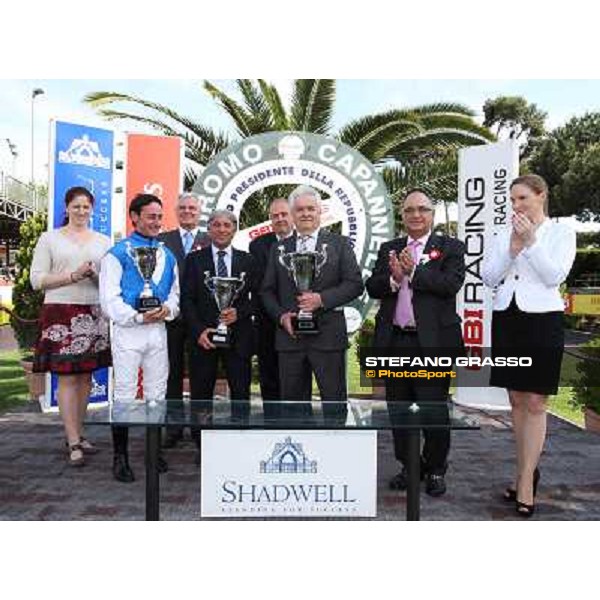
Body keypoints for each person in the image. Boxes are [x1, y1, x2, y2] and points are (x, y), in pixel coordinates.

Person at [482, 174, 576, 517]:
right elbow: (490, 277)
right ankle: (524, 472)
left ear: (541, 195)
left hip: (543, 321)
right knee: (516, 399)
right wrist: (512, 248)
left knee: (536, 401)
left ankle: (524, 482)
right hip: (508, 319)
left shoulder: (561, 232)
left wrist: (531, 241)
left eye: (522, 198)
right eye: (512, 200)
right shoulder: (501, 235)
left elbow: (554, 276)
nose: (516, 205)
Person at [365, 189, 465, 497]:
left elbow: (451, 285)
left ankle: (435, 468)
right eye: (409, 210)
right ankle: (410, 467)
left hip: (433, 344)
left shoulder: (450, 247)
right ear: (402, 215)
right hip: (396, 341)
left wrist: (414, 272)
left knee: (433, 410)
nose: (416, 215)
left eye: (422, 209)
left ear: (433, 214)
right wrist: (394, 279)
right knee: (400, 411)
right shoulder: (390, 248)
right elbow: (373, 286)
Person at [261, 185, 364, 423]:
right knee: (293, 408)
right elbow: (266, 291)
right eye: (299, 210)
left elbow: (354, 284)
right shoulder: (279, 249)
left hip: (328, 338)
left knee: (334, 404)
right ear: (293, 214)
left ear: (320, 212)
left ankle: (336, 452)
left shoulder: (339, 244)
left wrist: (322, 299)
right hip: (290, 338)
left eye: (310, 209)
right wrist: (281, 316)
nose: (305, 213)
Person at [99, 194, 179, 483]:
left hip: (157, 334)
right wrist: (137, 317)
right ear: (134, 217)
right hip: (128, 334)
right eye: (151, 216)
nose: (157, 222)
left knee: (157, 394)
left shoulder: (167, 255)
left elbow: (175, 294)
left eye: (159, 216)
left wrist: (168, 309)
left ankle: (153, 452)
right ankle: (119, 457)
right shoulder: (117, 254)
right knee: (124, 394)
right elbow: (109, 300)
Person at [30, 186, 111, 467]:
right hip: (60, 311)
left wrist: (94, 276)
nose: (81, 211)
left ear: (92, 209)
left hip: (94, 312)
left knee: (87, 377)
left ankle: (78, 432)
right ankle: (73, 441)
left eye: (86, 206)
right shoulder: (49, 239)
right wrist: (73, 275)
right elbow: (37, 280)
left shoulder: (103, 240)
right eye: (76, 206)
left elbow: (110, 283)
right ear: (66, 208)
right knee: (66, 378)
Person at [181, 209, 256, 465]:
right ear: (209, 229)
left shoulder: (248, 260)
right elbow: (187, 299)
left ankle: (241, 442)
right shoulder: (194, 260)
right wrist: (198, 330)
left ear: (234, 229)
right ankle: (202, 445)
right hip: (204, 338)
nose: (222, 229)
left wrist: (240, 312)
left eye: (227, 225)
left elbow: (258, 298)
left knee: (241, 391)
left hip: (239, 338)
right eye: (217, 225)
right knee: (201, 393)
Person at [158, 192, 209, 449]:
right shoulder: (162, 241)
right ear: (176, 212)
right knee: (172, 374)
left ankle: (200, 430)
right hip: (172, 318)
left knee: (201, 376)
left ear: (200, 212)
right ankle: (173, 427)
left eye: (192, 207)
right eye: (183, 208)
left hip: (201, 320)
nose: (188, 211)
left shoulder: (212, 239)